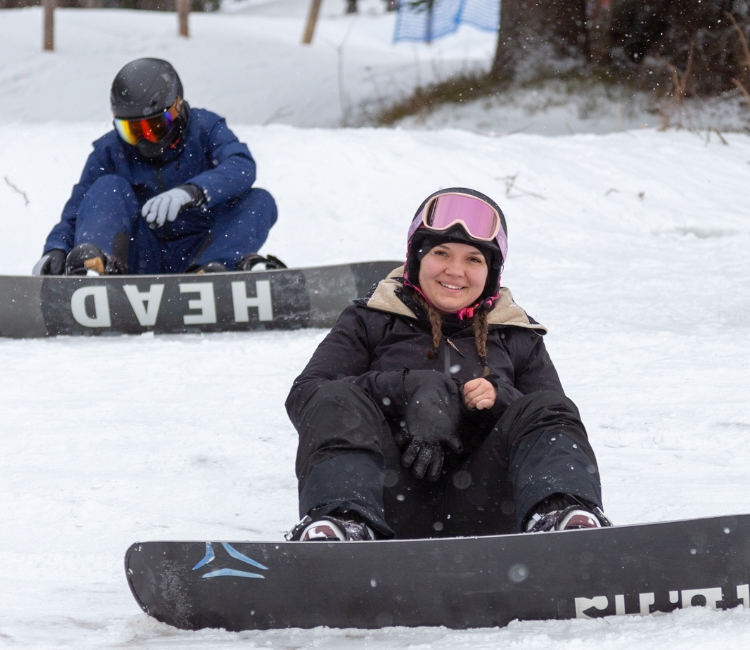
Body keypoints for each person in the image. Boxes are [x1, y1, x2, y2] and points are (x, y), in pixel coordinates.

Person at [284, 188, 609, 541]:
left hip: (488, 508)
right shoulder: (370, 318)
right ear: (417, 257)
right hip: (384, 501)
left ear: (491, 271)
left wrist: (500, 401)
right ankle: (343, 524)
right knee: (335, 397)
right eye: (441, 253)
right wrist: (406, 388)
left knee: (546, 406)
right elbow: (307, 396)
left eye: (474, 259)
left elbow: (554, 419)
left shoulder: (517, 335)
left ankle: (561, 520)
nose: (456, 271)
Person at [32, 58, 280, 276]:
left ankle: (211, 275)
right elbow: (77, 212)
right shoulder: (109, 151)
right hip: (137, 256)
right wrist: (56, 248)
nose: (144, 140)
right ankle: (98, 269)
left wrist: (194, 191)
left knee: (259, 201)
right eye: (133, 131)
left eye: (155, 128)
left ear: (178, 107)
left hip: (202, 250)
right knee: (106, 186)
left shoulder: (206, 129)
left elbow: (241, 166)